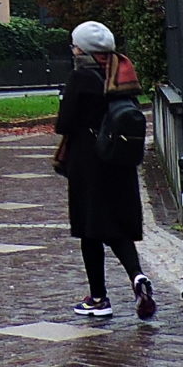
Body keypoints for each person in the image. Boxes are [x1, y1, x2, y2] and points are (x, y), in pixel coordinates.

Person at [55, 19, 155, 320]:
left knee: (91, 230)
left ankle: (98, 298)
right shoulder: (121, 73)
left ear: (83, 49)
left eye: (75, 44)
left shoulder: (82, 78)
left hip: (89, 164)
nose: (73, 49)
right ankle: (137, 276)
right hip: (120, 163)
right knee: (117, 228)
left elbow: (64, 123)